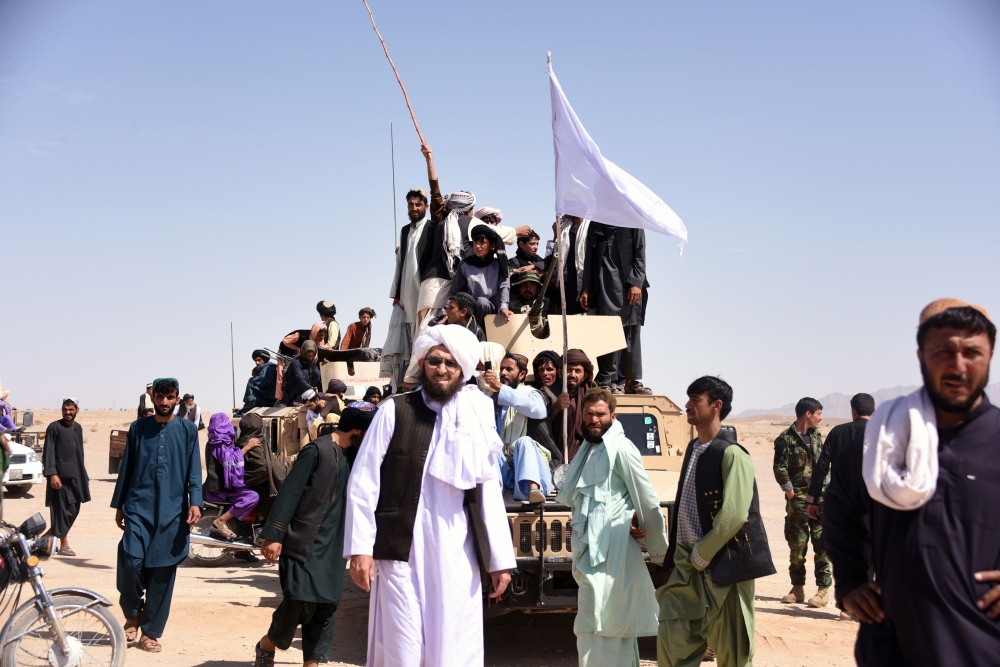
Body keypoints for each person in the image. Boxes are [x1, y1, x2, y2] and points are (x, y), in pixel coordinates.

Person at [824, 299, 1000, 667]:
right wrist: (850, 582)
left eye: (971, 350)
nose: (957, 364)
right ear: (921, 354)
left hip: (980, 646)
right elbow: (839, 512)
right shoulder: (880, 438)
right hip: (893, 646)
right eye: (943, 349)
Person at [345, 325, 515, 666]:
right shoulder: (396, 410)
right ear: (422, 363)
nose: (442, 369)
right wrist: (360, 549)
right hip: (400, 551)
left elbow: (489, 492)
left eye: (452, 363)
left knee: (453, 644)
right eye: (435, 360)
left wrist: (499, 561)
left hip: (457, 551)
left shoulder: (477, 415)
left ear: (463, 370)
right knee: (401, 646)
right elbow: (364, 481)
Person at [657, 376, 775, 667]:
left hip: (724, 565)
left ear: (716, 405)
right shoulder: (693, 450)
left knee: (733, 649)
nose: (687, 405)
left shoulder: (732, 454)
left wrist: (704, 552)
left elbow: (735, 513)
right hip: (688, 564)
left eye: (695, 399)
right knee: (675, 642)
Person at [254, 403, 378, 667]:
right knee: (299, 600)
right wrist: (274, 534)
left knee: (326, 607)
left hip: (334, 546)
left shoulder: (356, 457)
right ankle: (268, 642)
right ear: (356, 429)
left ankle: (312, 664)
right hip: (303, 542)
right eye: (370, 431)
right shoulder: (317, 450)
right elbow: (291, 491)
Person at [556, 388, 667, 666]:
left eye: (600, 414)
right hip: (589, 555)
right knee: (600, 627)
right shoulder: (588, 450)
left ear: (613, 416)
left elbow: (646, 498)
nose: (594, 419)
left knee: (608, 624)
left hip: (613, 554)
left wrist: (659, 550)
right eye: (589, 413)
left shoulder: (622, 448)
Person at [111, 377, 203, 653]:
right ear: (152, 398)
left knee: (162, 573)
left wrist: (195, 502)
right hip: (138, 509)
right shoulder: (138, 428)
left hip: (172, 512)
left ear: (177, 398)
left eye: (170, 397)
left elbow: (194, 471)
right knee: (130, 562)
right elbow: (126, 469)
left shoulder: (188, 430)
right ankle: (132, 612)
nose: (164, 402)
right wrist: (119, 505)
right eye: (160, 397)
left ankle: (150, 631)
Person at [772, 397, 831, 607]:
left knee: (821, 543)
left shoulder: (817, 436)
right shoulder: (785, 439)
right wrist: (790, 493)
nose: (820, 418)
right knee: (797, 545)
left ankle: (823, 590)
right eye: (818, 414)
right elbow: (779, 467)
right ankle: (797, 588)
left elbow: (825, 464)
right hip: (797, 500)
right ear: (808, 414)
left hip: (819, 499)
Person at [581, 222, 650, 395]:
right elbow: (589, 257)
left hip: (630, 286)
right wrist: (587, 288)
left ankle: (630, 380)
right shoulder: (596, 223)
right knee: (608, 329)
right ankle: (607, 379)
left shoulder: (633, 220)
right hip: (604, 283)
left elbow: (640, 255)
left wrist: (636, 282)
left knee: (631, 332)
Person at [484, 353, 553, 504]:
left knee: (524, 442)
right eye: (502, 369)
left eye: (509, 369)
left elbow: (537, 410)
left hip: (531, 467)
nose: (503, 373)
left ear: (522, 375)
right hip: (506, 469)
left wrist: (500, 387)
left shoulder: (532, 393)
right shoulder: (496, 399)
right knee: (491, 447)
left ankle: (533, 489)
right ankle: (491, 493)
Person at [805, 393, 875, 516]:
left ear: (853, 411)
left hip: (840, 502)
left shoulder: (837, 432)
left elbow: (822, 466)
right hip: (872, 503)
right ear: (874, 411)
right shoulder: (883, 433)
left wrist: (813, 499)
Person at [43, 397, 91, 557]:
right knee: (61, 510)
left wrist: (84, 475)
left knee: (74, 509)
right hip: (60, 477)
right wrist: (52, 474)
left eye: (71, 410)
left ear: (77, 410)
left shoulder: (78, 428)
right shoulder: (54, 427)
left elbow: (80, 454)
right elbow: (48, 451)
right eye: (65, 409)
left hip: (76, 475)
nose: (67, 413)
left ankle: (44, 540)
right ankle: (63, 545)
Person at [203, 412, 260, 540]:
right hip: (219, 490)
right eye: (226, 421)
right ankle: (221, 521)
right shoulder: (217, 442)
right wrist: (247, 447)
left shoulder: (220, 441)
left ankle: (243, 546)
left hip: (223, 487)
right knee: (252, 497)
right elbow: (230, 461)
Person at [448, 225, 512, 328]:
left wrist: (504, 307)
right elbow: (454, 292)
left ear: (492, 245)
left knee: (483, 302)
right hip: (470, 311)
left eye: (482, 242)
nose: (477, 246)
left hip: (493, 312)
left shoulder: (499, 265)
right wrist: (446, 313)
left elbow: (504, 287)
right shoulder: (465, 265)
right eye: (475, 242)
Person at [552, 349, 597, 462]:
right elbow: (539, 425)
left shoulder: (593, 394)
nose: (572, 375)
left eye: (577, 371)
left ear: (585, 375)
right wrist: (556, 407)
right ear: (560, 372)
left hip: (587, 457)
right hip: (554, 457)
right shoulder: (548, 393)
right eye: (569, 370)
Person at [239, 413, 285, 520]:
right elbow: (262, 467)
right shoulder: (253, 442)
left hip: (258, 481)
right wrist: (281, 470)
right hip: (256, 483)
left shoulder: (247, 440)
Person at [555, 216, 590, 316]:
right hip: (569, 285)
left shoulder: (591, 226)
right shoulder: (566, 228)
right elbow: (557, 255)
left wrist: (587, 288)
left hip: (584, 285)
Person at [508, 269, 555, 339]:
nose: (528, 288)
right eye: (524, 284)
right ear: (518, 288)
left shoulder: (549, 305)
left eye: (532, 284)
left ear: (538, 289)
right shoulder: (509, 305)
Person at [281, 341, 322, 406]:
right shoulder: (296, 362)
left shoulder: (312, 361)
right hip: (291, 390)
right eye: (308, 352)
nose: (310, 354)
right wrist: (310, 387)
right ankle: (296, 400)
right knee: (304, 373)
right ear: (303, 351)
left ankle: (307, 396)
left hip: (304, 388)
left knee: (316, 372)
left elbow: (315, 373)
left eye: (312, 352)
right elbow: (300, 378)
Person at [241, 350, 278, 414]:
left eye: (259, 360)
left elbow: (262, 384)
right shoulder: (261, 369)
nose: (257, 363)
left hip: (267, 400)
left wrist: (252, 380)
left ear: (265, 359)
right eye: (255, 361)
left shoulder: (269, 368)